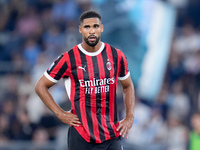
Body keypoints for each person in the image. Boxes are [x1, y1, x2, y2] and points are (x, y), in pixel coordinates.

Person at [35, 10, 135, 150]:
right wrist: (60, 113)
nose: (92, 31)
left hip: (111, 134)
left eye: (95, 26)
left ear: (101, 28)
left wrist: (129, 116)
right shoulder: (68, 58)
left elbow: (128, 85)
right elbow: (40, 86)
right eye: (87, 27)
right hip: (82, 136)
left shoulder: (116, 55)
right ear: (80, 29)